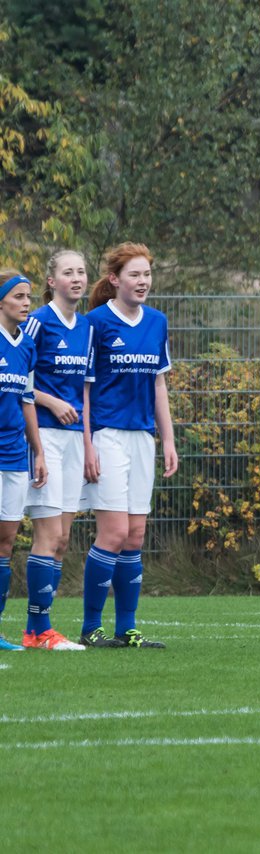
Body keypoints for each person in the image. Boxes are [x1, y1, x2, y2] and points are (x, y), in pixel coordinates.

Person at [77, 242, 178, 649]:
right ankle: (90, 627)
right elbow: (83, 389)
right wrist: (87, 443)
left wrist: (167, 438)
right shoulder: (95, 323)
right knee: (114, 532)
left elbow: (158, 384)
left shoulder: (157, 322)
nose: (143, 282)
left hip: (142, 438)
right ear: (115, 279)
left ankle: (127, 629)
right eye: (135, 275)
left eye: (147, 275)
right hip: (107, 435)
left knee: (135, 536)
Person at [21, 250, 94, 650]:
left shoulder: (85, 327)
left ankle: (41, 627)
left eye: (81, 271)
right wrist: (50, 402)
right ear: (52, 281)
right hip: (43, 436)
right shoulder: (37, 322)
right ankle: (37, 630)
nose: (77, 278)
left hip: (72, 441)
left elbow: (83, 391)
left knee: (63, 540)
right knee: (47, 536)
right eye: (68, 272)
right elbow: (19, 377)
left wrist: (87, 443)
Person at [0, 270, 49, 651]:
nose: (26, 303)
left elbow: (27, 400)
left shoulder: (26, 347)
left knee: (6, 542)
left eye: (28, 296)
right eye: (18, 296)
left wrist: (39, 452)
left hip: (16, 456)